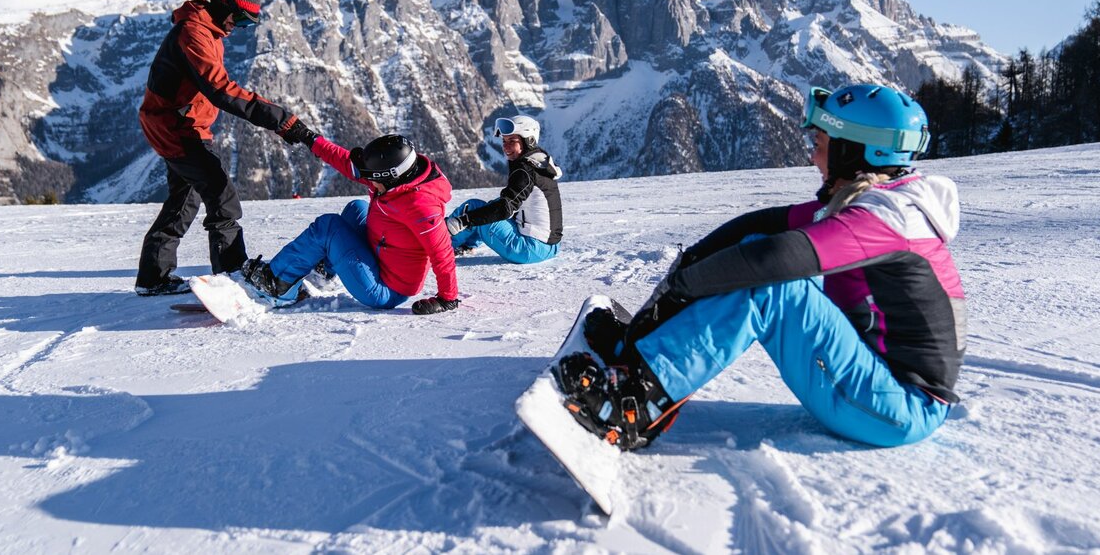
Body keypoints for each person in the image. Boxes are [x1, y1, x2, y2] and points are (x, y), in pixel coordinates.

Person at [560, 83, 965, 450]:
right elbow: (761, 226)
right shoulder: (872, 201)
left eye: (821, 144)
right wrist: (690, 264)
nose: (813, 156)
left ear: (854, 151)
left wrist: (682, 285)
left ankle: (635, 409)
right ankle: (637, 351)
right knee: (750, 259)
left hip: (900, 408)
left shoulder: (889, 219)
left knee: (771, 284)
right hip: (876, 387)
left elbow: (772, 260)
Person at [134, 0, 304, 296]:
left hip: (184, 123)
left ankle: (152, 277)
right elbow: (221, 91)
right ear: (223, 3)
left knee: (184, 200)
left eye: (247, 24)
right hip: (175, 126)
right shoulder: (193, 33)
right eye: (239, 18)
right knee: (221, 195)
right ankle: (232, 274)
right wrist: (281, 121)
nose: (237, 27)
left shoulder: (210, 30)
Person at [241, 127, 462, 315]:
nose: (368, 182)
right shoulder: (398, 178)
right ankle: (325, 271)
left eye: (373, 179)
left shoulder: (421, 207)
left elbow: (441, 252)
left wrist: (447, 299)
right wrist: (310, 138)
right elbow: (349, 165)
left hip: (385, 289)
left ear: (390, 176)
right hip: (383, 259)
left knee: (328, 227)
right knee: (357, 208)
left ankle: (278, 284)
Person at [445, 115, 563, 263]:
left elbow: (505, 208)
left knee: (474, 212)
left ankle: (436, 247)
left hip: (529, 249)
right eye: (504, 141)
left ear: (529, 141)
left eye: (512, 141)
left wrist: (463, 221)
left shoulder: (525, 170)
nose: (506, 146)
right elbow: (511, 204)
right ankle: (464, 245)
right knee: (480, 208)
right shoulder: (539, 162)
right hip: (550, 247)